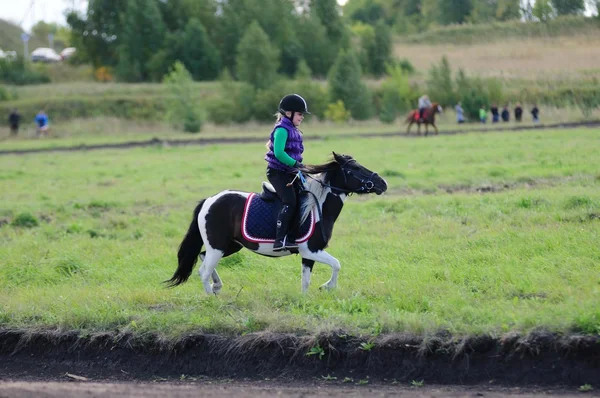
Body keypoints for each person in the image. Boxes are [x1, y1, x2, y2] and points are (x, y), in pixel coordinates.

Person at [264, 94, 310, 251]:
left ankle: (292, 238)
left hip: (290, 172)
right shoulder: (282, 130)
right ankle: (279, 241)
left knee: (303, 197)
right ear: (288, 113)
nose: (302, 117)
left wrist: (301, 168)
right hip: (277, 172)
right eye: (299, 114)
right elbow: (279, 153)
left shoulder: (294, 130)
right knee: (290, 201)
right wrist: (296, 164)